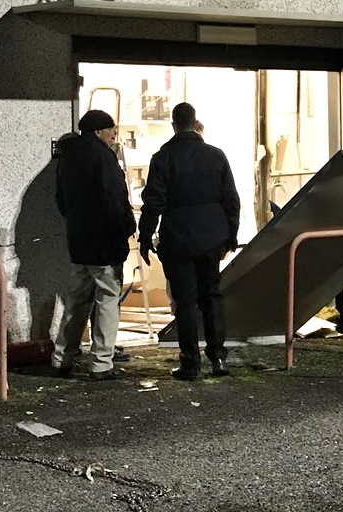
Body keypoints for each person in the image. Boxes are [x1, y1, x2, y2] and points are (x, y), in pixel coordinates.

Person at [138, 103, 240, 381]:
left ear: (173, 125)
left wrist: (145, 237)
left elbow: (153, 202)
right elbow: (231, 199)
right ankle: (218, 357)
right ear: (196, 124)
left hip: (179, 239)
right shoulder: (216, 156)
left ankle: (190, 363)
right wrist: (231, 234)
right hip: (211, 238)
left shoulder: (163, 158)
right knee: (212, 296)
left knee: (185, 302)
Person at [52, 109, 136, 380]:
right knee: (108, 299)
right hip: (104, 244)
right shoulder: (103, 157)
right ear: (99, 131)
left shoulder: (67, 158)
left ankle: (61, 358)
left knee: (77, 301)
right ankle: (101, 363)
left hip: (79, 242)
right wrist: (127, 226)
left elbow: (61, 200)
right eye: (111, 130)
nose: (114, 135)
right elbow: (114, 198)